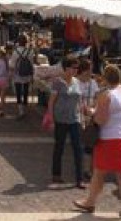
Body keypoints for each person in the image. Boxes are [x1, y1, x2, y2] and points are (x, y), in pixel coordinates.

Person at [74, 64, 121, 219]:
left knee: (99, 172)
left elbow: (101, 119)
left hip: (108, 138)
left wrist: (91, 113)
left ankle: (90, 202)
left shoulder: (105, 95)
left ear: (105, 78)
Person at [47, 55, 85, 188]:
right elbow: (51, 102)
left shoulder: (77, 82)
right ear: (66, 68)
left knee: (78, 148)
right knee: (59, 147)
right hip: (61, 119)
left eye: (77, 68)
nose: (75, 70)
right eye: (73, 67)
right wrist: (51, 118)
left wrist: (83, 118)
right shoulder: (57, 82)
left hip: (74, 119)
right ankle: (56, 174)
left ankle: (79, 179)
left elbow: (80, 100)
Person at [11, 33, 35, 119]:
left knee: (18, 92)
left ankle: (21, 111)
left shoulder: (15, 51)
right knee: (25, 91)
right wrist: (32, 74)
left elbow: (12, 64)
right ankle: (25, 108)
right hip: (27, 74)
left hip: (17, 74)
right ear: (26, 42)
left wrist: (11, 73)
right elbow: (32, 64)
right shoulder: (30, 51)